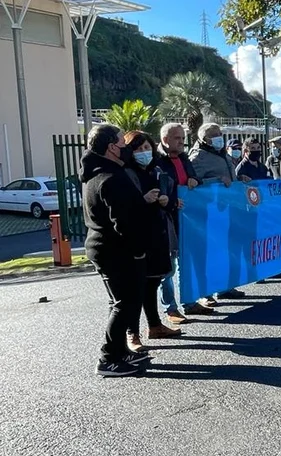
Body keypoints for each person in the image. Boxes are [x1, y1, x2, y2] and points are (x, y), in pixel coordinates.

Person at [80, 124, 151, 377]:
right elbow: (124, 223)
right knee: (126, 303)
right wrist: (138, 251)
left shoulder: (95, 174)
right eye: (122, 142)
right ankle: (108, 358)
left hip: (104, 249)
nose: (127, 148)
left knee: (119, 302)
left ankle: (120, 351)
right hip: (117, 252)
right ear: (111, 147)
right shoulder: (111, 178)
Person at [122, 131, 182, 353]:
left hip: (158, 236)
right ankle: (132, 333)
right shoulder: (125, 174)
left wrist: (167, 201)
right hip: (137, 238)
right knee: (135, 289)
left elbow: (172, 200)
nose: (143, 153)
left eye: (147, 148)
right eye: (138, 149)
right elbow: (123, 207)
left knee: (152, 283)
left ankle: (155, 326)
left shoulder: (158, 171)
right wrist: (143, 200)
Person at [153, 123, 212, 325]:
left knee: (188, 263)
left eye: (182, 138)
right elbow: (157, 188)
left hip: (187, 219)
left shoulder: (184, 158)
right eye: (177, 138)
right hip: (166, 220)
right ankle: (170, 308)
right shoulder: (156, 161)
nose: (181, 141)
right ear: (165, 139)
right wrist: (170, 199)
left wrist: (194, 180)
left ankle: (189, 301)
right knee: (168, 267)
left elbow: (194, 177)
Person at [189, 123, 246, 301]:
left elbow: (230, 177)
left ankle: (225, 287)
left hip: (227, 209)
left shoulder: (221, 154)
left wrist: (238, 180)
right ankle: (204, 293)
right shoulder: (198, 157)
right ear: (204, 138)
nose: (219, 137)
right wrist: (217, 180)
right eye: (215, 135)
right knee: (208, 253)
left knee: (226, 250)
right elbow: (193, 184)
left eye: (220, 133)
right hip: (209, 211)